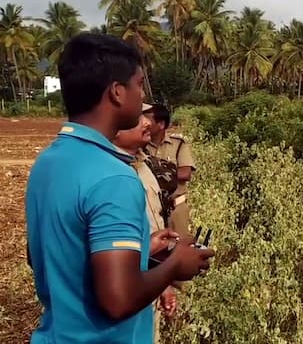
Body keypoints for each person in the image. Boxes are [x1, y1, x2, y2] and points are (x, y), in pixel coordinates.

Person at [25, 32, 213, 344]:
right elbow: (118, 300)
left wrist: (140, 249)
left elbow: (46, 255)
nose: (142, 97)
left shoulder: (49, 162)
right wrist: (175, 265)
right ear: (116, 92)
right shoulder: (115, 178)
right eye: (139, 84)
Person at [112, 103, 178, 344]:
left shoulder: (143, 164)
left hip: (145, 287)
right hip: (122, 300)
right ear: (113, 125)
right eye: (138, 116)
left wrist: (162, 283)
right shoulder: (109, 175)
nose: (147, 122)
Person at [143, 103, 195, 237]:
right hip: (151, 207)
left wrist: (156, 171)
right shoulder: (140, 145)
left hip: (176, 208)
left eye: (147, 119)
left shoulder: (178, 144)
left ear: (160, 124)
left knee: (180, 244)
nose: (144, 123)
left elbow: (185, 173)